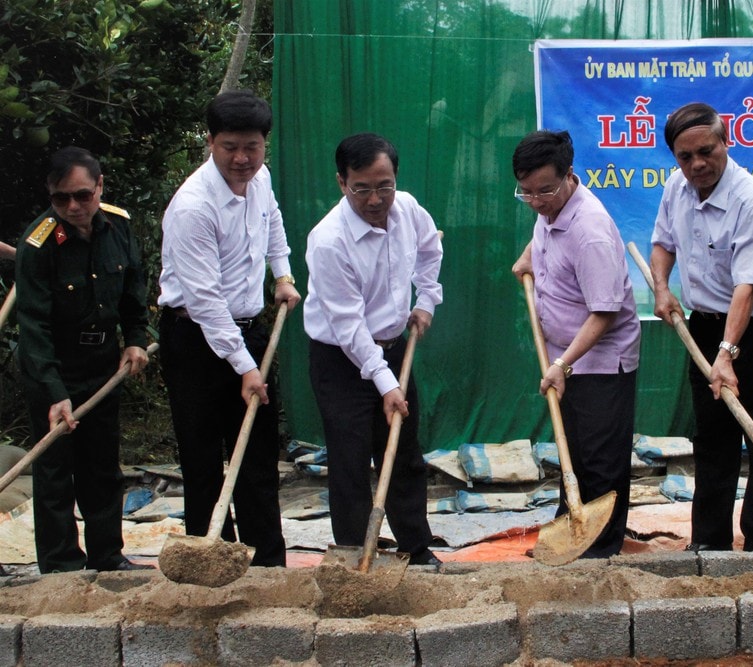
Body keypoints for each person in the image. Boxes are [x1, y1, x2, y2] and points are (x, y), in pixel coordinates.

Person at [158, 90, 300, 567]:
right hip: (195, 339)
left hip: (247, 330)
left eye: (252, 148)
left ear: (265, 145)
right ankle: (210, 561)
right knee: (202, 458)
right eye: (230, 147)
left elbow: (273, 220)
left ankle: (266, 566)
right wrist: (244, 367)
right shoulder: (193, 207)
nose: (242, 159)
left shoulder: (260, 181)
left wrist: (281, 274)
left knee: (257, 458)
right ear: (210, 142)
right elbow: (204, 300)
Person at [648, 102, 753, 552]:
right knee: (711, 436)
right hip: (703, 326)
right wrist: (661, 288)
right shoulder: (677, 186)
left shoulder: (752, 200)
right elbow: (661, 243)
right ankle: (709, 543)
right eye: (685, 158)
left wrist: (728, 353)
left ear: (726, 141)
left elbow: (747, 285)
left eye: (706, 152)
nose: (697, 165)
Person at [304, 133, 443, 566]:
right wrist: (385, 384)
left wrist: (426, 301)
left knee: (403, 452)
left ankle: (416, 549)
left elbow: (430, 250)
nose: (375, 199)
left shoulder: (409, 209)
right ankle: (354, 557)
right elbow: (348, 327)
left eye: (385, 185)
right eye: (361, 188)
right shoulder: (328, 241)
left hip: (394, 344)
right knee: (349, 461)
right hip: (341, 360)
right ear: (341, 183)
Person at [15, 146, 151, 573]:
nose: (73, 207)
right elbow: (33, 326)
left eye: (82, 195)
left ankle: (107, 556)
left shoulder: (120, 226)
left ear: (100, 187)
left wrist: (134, 340)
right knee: (55, 471)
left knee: (102, 466)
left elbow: (133, 289)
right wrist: (54, 393)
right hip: (52, 367)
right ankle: (61, 567)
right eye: (61, 199)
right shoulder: (38, 244)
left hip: (102, 364)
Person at [511, 130, 640, 558]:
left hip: (599, 358)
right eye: (525, 192)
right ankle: (571, 536)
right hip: (565, 357)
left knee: (601, 459)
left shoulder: (591, 231)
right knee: (575, 453)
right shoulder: (546, 206)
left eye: (545, 189)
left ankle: (600, 553)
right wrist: (531, 254)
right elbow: (546, 232)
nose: (536, 200)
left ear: (570, 176)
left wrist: (562, 364)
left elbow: (604, 313)